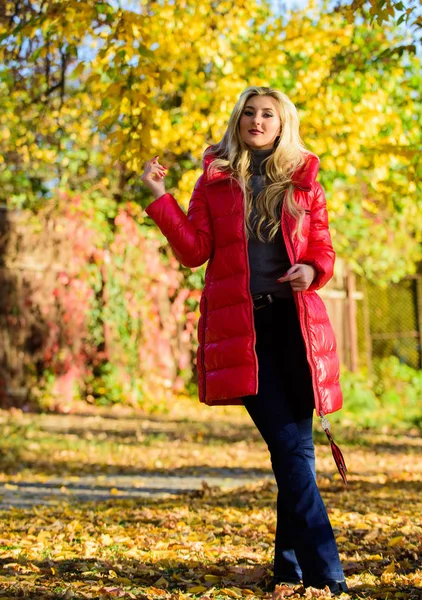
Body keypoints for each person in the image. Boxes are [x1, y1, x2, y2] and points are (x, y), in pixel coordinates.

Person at [140, 86, 348, 596]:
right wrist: (158, 199)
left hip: (295, 326)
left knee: (295, 454)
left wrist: (314, 268)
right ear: (238, 122)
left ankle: (288, 570)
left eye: (267, 115)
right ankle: (329, 574)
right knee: (291, 451)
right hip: (245, 331)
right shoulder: (214, 179)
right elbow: (194, 251)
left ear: (282, 125)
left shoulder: (304, 181)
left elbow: (322, 245)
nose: (257, 121)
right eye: (249, 113)